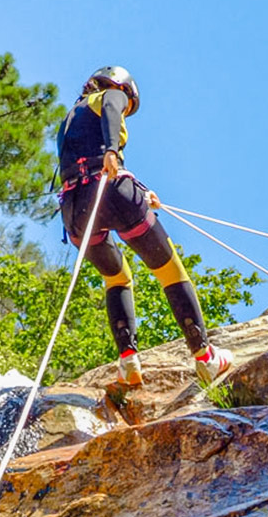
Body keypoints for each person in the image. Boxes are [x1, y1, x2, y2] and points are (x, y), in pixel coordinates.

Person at [57, 65, 234, 386]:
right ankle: (205, 357)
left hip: (75, 213)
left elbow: (85, 162)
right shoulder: (110, 95)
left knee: (118, 278)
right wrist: (113, 150)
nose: (124, 105)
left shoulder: (68, 120)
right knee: (170, 270)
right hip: (111, 191)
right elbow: (111, 114)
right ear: (119, 86)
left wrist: (141, 190)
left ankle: (128, 361)